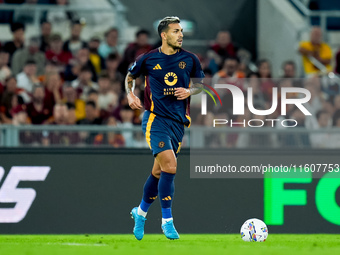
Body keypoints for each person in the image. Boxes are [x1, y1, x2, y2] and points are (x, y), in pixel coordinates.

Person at [126, 16, 204, 240]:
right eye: (176, 31)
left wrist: (190, 91)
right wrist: (130, 94)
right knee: (170, 165)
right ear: (164, 35)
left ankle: (140, 213)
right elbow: (130, 76)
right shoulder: (148, 58)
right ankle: (167, 221)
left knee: (159, 171)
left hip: (178, 123)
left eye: (181, 31)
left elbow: (200, 85)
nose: (180, 35)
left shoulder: (190, 59)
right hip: (155, 119)